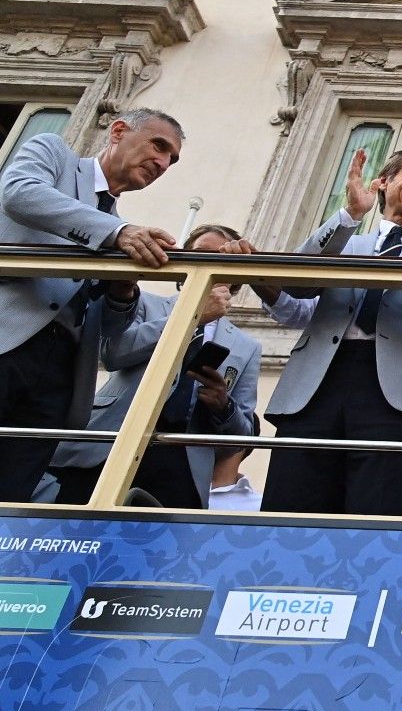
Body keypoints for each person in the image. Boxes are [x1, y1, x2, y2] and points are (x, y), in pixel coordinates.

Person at [259, 148, 402, 516]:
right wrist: (349, 215)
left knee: (377, 508)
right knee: (292, 504)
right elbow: (294, 283)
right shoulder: (345, 242)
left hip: (396, 394)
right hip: (318, 383)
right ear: (382, 183)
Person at [0, 110, 181, 501]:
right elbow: (18, 193)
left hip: (60, 377)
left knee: (12, 495)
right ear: (118, 131)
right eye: (159, 146)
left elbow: (110, 334)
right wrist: (115, 233)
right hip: (6, 342)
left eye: (172, 160)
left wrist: (123, 293)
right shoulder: (53, 154)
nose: (163, 163)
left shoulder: (121, 230)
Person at [43, 224, 259, 508]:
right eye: (200, 253)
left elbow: (242, 436)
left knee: (158, 543)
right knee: (80, 527)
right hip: (115, 437)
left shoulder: (246, 346)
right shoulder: (145, 303)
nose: (209, 262)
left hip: (182, 456)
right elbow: (113, 353)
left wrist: (223, 406)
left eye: (220, 256)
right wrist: (193, 315)